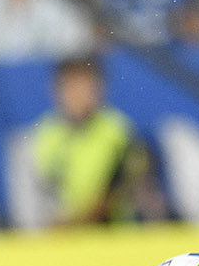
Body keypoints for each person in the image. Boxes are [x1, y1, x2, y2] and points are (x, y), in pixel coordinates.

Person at [31, 56, 164, 226]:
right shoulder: (45, 135)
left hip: (113, 237)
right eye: (71, 88)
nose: (78, 97)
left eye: (86, 88)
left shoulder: (117, 131)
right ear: (56, 90)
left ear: (99, 90)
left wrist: (74, 224)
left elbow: (117, 193)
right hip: (63, 237)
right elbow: (43, 194)